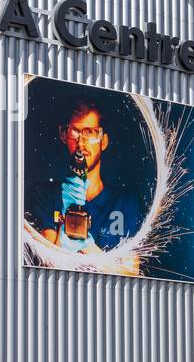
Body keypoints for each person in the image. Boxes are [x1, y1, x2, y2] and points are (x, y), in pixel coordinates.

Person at [30, 100, 145, 255]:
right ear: (63, 135)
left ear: (103, 141)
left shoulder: (125, 204)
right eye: (74, 132)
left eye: (90, 132)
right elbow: (48, 260)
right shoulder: (43, 195)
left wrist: (86, 246)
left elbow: (130, 270)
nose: (81, 143)